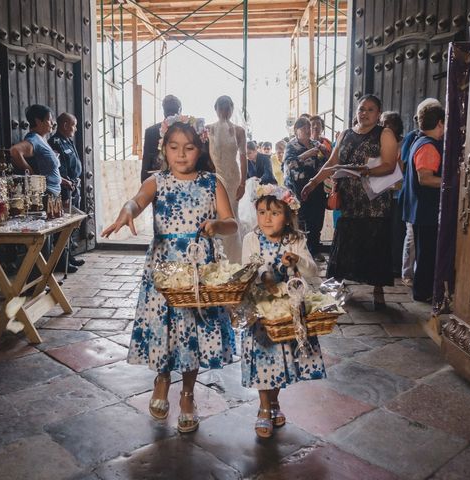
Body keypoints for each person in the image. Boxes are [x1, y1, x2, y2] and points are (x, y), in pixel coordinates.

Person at [101, 115, 238, 434]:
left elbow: (231, 222)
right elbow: (137, 201)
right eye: (174, 147)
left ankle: (188, 395)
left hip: (199, 271)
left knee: (193, 332)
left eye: (188, 148)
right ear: (164, 149)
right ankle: (162, 379)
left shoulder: (211, 182)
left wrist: (217, 225)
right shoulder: (156, 182)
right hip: (163, 271)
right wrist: (127, 210)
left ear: (199, 149)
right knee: (163, 328)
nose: (181, 154)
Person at [241, 184, 325, 439]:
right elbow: (248, 271)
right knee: (264, 360)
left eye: (275, 212)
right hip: (262, 312)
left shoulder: (296, 240)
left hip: (287, 314)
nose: (267, 218)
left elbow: (313, 273)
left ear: (288, 216)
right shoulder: (251, 239)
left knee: (280, 363)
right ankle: (264, 408)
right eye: (262, 211)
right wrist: (266, 275)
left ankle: (274, 402)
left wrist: (297, 261)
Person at [302, 94, 398, 308]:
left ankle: (378, 289)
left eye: (370, 109)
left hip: (374, 201)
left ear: (378, 114)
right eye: (361, 109)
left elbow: (390, 166)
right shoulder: (345, 134)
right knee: (344, 241)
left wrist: (362, 171)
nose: (364, 113)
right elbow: (332, 161)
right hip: (349, 200)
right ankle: (335, 285)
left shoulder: (385, 133)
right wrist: (313, 182)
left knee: (375, 244)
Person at [10, 104, 76, 273]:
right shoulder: (33, 139)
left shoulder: (42, 140)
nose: (52, 123)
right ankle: (35, 281)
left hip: (53, 193)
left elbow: (48, 169)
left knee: (48, 239)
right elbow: (15, 151)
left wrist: (61, 180)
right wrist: (31, 174)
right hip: (45, 195)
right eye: (48, 119)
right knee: (42, 241)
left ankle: (42, 279)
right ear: (38, 121)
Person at [401, 104, 445, 302]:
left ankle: (423, 290)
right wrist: (452, 182)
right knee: (426, 255)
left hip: (420, 209)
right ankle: (423, 293)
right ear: (440, 123)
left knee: (424, 254)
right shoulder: (428, 145)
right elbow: (425, 178)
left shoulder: (420, 141)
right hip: (425, 210)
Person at [207, 95, 247, 263]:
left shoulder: (239, 131)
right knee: (214, 212)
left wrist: (243, 183)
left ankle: (233, 257)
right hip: (214, 176)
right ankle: (214, 255)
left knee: (231, 214)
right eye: (221, 107)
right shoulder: (208, 129)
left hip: (232, 178)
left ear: (232, 109)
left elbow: (243, 157)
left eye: (227, 107)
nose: (224, 111)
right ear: (215, 110)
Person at [284, 116, 328, 262]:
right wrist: (305, 155)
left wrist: (325, 152)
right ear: (296, 130)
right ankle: (302, 252)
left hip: (316, 186)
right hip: (298, 188)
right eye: (304, 128)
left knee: (317, 219)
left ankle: (315, 250)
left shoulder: (316, 144)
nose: (308, 130)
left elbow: (326, 163)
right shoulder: (291, 146)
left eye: (309, 127)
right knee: (301, 219)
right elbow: (289, 165)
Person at [48, 112, 84, 267]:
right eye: (73, 125)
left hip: (74, 187)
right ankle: (62, 261)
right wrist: (66, 187)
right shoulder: (55, 142)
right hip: (64, 190)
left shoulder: (67, 141)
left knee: (71, 225)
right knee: (63, 227)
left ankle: (69, 256)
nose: (75, 129)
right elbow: (59, 169)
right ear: (65, 125)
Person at [380, 111, 405, 279]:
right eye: (382, 123)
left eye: (387, 123)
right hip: (381, 191)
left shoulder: (403, 144)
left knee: (396, 231)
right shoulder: (380, 141)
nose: (384, 127)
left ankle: (395, 265)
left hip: (397, 193)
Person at [141, 95, 182, 183]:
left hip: (157, 182)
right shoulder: (188, 131)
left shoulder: (150, 131)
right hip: (183, 181)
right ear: (180, 110)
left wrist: (144, 182)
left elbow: (146, 162)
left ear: (164, 111)